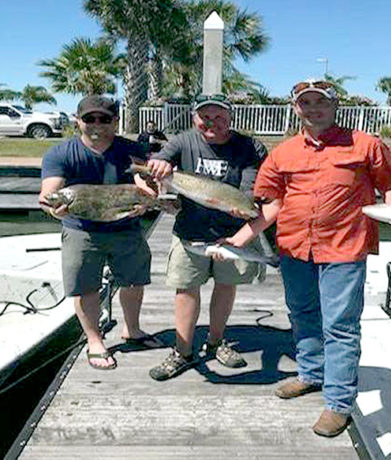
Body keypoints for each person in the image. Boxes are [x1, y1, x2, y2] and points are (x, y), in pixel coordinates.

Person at [223, 79, 391, 437]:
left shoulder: (367, 145)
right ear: (296, 109)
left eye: (321, 102)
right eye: (306, 103)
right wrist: (239, 239)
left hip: (344, 248)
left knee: (339, 326)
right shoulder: (283, 153)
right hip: (294, 247)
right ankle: (311, 373)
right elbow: (271, 205)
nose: (314, 108)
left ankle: (338, 403)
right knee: (302, 314)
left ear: (335, 107)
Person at [146, 93, 268, 381]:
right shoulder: (183, 140)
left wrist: (244, 210)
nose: (212, 122)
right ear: (194, 118)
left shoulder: (249, 146)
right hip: (191, 232)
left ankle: (215, 342)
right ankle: (182, 351)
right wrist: (159, 167)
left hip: (233, 233)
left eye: (219, 116)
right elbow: (161, 159)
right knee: (186, 288)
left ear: (231, 117)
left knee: (226, 286)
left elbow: (250, 188)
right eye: (205, 117)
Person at [39, 95, 156, 370]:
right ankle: (94, 340)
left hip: (126, 226)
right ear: (78, 121)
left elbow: (144, 181)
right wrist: (52, 207)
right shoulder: (61, 153)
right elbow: (49, 194)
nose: (97, 124)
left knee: (134, 281)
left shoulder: (132, 149)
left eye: (104, 119)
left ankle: (133, 329)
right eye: (89, 118)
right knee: (85, 286)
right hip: (81, 230)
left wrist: (148, 198)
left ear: (116, 121)